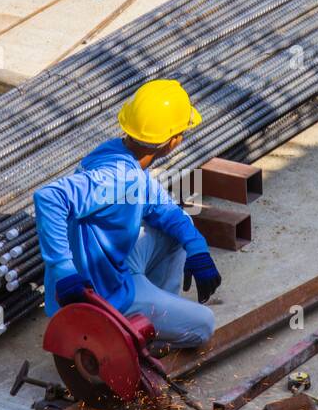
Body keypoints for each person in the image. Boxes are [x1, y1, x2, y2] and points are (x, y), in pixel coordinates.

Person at [33, 79, 221, 348]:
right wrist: (64, 269)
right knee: (204, 325)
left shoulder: (118, 154)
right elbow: (48, 197)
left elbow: (163, 208)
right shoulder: (121, 177)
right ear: (173, 142)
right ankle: (138, 333)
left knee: (179, 229)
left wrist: (197, 247)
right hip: (100, 294)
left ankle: (153, 310)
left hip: (110, 269)